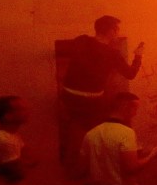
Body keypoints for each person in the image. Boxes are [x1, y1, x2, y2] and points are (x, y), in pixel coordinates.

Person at [60, 15, 144, 168]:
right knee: (101, 131)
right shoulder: (112, 54)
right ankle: (103, 164)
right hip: (90, 100)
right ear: (112, 31)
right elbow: (130, 74)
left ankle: (72, 164)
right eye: (117, 30)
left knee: (74, 128)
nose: (118, 34)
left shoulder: (81, 41)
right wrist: (138, 56)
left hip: (68, 95)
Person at [78, 92, 157, 185]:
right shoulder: (126, 133)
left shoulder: (91, 134)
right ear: (125, 107)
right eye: (134, 108)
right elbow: (131, 168)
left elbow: (82, 168)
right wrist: (152, 155)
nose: (135, 113)